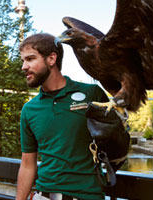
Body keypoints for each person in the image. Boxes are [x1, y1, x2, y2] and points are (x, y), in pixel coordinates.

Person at [16, 33, 109, 200]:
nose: (24, 66)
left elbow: (117, 143)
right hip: (44, 196)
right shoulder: (29, 110)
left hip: (87, 195)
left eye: (30, 59)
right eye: (23, 60)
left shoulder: (92, 94)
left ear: (51, 59)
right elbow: (27, 165)